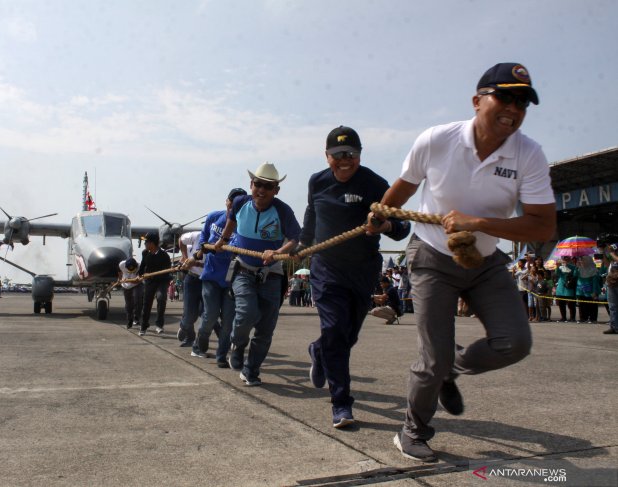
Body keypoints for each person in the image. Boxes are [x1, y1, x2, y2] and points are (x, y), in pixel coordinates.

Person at [372, 63, 556, 462]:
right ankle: (412, 431)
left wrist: (480, 223)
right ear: (477, 101)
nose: (514, 107)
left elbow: (543, 226)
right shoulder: (438, 140)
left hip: (486, 259)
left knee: (515, 343)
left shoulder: (529, 153)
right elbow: (403, 188)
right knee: (431, 357)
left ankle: (449, 368)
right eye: (504, 96)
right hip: (432, 255)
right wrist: (380, 215)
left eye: (523, 101)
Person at [296, 126, 409, 428]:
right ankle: (341, 403)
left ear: (360, 154)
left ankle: (318, 351)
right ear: (326, 155)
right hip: (326, 268)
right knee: (334, 330)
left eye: (351, 154)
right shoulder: (317, 182)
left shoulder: (376, 184)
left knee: (347, 337)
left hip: (362, 269)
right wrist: (302, 245)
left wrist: (383, 227)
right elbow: (311, 214)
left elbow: (402, 228)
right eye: (337, 155)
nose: (344, 160)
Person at [213, 162, 301, 386]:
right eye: (258, 184)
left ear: (276, 190)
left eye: (268, 186)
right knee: (246, 312)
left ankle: (251, 370)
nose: (261, 190)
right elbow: (231, 222)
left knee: (266, 328)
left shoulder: (283, 210)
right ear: (251, 184)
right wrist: (222, 240)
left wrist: (278, 251)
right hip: (243, 269)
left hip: (271, 273)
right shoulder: (241, 202)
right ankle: (238, 344)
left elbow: (294, 239)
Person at [190, 187, 247, 365]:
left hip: (232, 279)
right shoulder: (214, 217)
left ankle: (222, 356)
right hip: (211, 277)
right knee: (211, 314)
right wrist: (201, 250)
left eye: (240, 203)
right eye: (232, 201)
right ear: (227, 202)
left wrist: (223, 246)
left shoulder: (245, 227)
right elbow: (204, 237)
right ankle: (200, 343)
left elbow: (241, 249)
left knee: (229, 321)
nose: (235, 206)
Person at [138, 232, 172, 336]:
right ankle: (144, 326)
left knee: (161, 298)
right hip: (149, 282)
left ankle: (159, 325)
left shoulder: (164, 255)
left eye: (146, 242)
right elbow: (142, 267)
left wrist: (153, 275)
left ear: (152, 243)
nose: (145, 244)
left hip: (162, 281)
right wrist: (142, 275)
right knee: (146, 303)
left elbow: (167, 271)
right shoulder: (145, 253)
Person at [177, 231, 203, 347]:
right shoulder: (197, 236)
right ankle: (188, 333)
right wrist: (184, 257)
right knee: (189, 315)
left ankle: (202, 343)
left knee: (207, 314)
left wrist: (196, 264)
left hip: (209, 281)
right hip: (192, 279)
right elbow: (181, 240)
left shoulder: (223, 242)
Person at [597, 235, 618, 334]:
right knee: (612, 305)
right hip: (611, 279)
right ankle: (614, 326)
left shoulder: (613, 250)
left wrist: (611, 252)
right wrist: (603, 253)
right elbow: (607, 264)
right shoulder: (611, 251)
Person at [575, 255, 600, 324]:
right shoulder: (579, 269)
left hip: (590, 291)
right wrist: (576, 267)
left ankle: (593, 319)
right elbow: (575, 275)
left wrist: (594, 292)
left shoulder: (593, 270)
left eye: (583, 260)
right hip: (581, 290)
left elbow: (595, 282)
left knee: (592, 305)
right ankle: (583, 318)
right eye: (581, 260)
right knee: (582, 305)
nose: (581, 261)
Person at [118, 258, 142, 329]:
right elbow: (119, 272)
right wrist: (119, 279)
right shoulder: (121, 264)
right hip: (126, 286)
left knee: (137, 299)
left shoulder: (140, 266)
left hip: (136, 284)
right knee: (129, 305)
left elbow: (139, 280)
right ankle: (129, 321)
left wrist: (132, 281)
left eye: (133, 269)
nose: (131, 270)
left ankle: (136, 318)